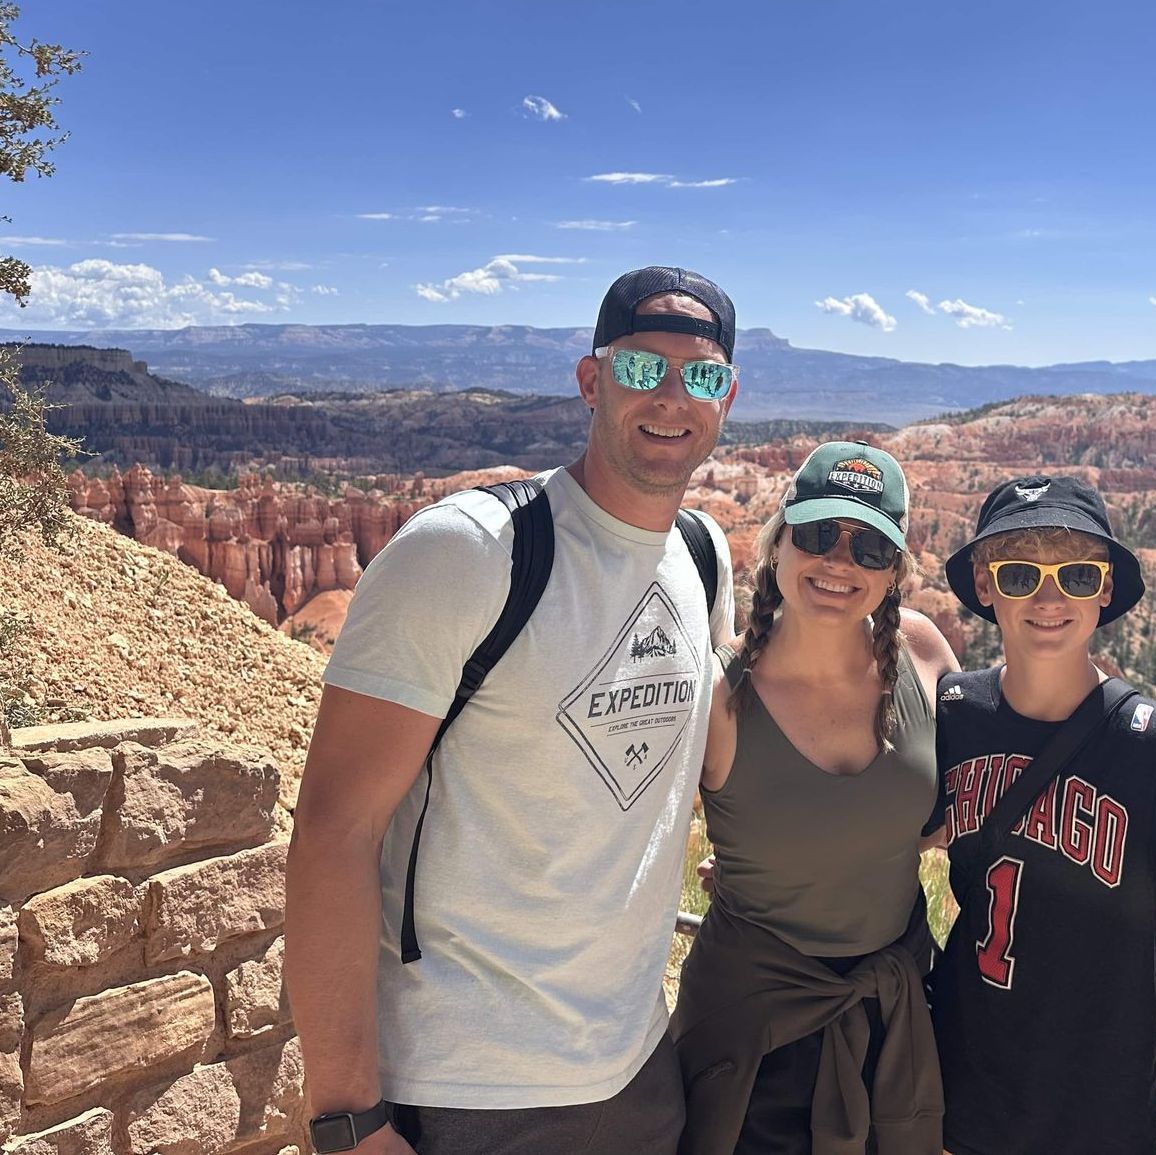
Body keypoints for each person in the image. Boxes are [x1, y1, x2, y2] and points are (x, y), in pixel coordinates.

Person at [285, 267, 742, 1155]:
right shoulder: (469, 552)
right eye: (645, 369)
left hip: (639, 1072)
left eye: (704, 375)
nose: (674, 398)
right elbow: (333, 829)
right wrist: (348, 1120)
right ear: (591, 378)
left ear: (729, 397)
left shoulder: (701, 555)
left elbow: (712, 752)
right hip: (464, 1092)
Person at [926, 475, 1156, 1155]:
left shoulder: (1155, 749)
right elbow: (888, 826)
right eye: (1017, 573)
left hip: (1098, 1112)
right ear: (983, 586)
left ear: (1103, 588)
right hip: (960, 1090)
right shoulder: (953, 716)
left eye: (1075, 573)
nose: (1047, 597)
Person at [671, 440, 959, 1155]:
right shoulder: (722, 698)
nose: (838, 562)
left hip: (893, 1017)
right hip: (754, 1036)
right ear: (776, 545)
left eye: (869, 547)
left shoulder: (922, 653)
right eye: (818, 534)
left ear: (895, 571)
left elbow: (952, 807)